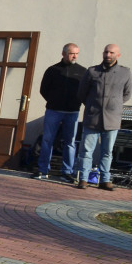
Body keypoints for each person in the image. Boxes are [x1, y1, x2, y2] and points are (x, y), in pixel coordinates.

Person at [76, 44, 132, 190]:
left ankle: (105, 180)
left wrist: (114, 105)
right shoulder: (92, 71)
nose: (108, 55)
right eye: (106, 52)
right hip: (93, 117)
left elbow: (126, 94)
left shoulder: (125, 73)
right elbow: (82, 92)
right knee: (86, 151)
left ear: (117, 55)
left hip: (112, 119)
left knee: (107, 152)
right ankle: (83, 178)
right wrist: (92, 105)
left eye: (111, 52)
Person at [33, 43, 84, 181]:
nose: (75, 56)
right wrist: (54, 101)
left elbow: (84, 92)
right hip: (53, 110)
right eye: (72, 53)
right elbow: (44, 89)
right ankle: (43, 170)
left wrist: (77, 103)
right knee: (47, 140)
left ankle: (67, 172)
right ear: (63, 54)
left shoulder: (82, 72)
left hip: (72, 112)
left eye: (77, 53)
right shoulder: (52, 70)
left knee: (70, 142)